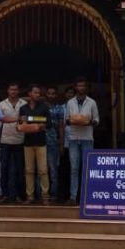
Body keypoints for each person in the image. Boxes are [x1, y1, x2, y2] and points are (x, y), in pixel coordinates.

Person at [65, 77, 99, 205]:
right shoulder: (70, 103)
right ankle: (73, 197)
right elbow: (67, 120)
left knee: (87, 168)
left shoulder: (92, 102)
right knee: (74, 168)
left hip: (87, 139)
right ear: (76, 87)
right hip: (74, 138)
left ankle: (87, 196)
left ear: (86, 88)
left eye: (83, 86)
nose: (81, 88)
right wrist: (72, 121)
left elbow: (96, 120)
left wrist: (89, 122)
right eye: (79, 86)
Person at [18, 84, 51, 204]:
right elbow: (21, 124)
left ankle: (45, 196)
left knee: (43, 170)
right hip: (28, 143)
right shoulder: (23, 109)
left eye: (39, 93)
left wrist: (42, 125)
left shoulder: (44, 107)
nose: (38, 95)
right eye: (35, 92)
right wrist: (25, 125)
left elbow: (49, 123)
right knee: (29, 170)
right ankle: (30, 196)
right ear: (29, 94)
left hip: (41, 142)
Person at [0, 82, 25, 203]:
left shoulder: (24, 103)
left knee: (20, 169)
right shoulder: (2, 104)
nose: (13, 92)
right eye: (11, 89)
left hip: (20, 140)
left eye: (15, 89)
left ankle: (20, 195)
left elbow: (26, 121)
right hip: (5, 140)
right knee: (4, 168)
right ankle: (5, 194)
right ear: (7, 91)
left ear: (18, 91)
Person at [44, 85, 66, 202]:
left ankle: (53, 194)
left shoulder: (59, 109)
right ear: (46, 95)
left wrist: (61, 143)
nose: (51, 96)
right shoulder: (41, 107)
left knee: (53, 169)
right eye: (49, 93)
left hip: (54, 142)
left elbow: (61, 126)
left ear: (56, 95)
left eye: (53, 93)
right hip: (40, 142)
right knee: (42, 170)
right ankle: (42, 194)